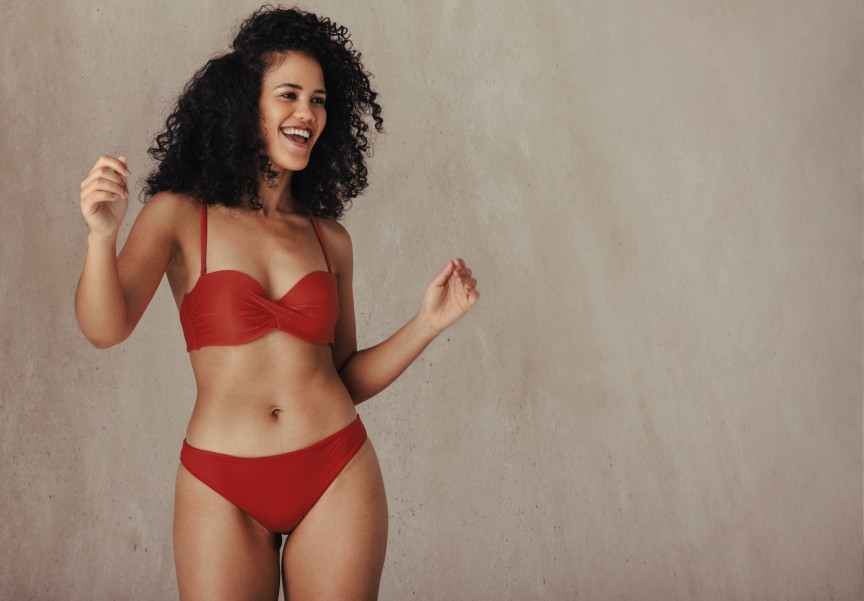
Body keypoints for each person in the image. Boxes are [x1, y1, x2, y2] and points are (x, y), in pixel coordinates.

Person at [75, 7, 478, 600]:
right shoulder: (181, 216)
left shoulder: (328, 237)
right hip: (221, 481)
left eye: (318, 100)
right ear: (245, 105)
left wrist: (427, 324)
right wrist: (100, 236)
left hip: (337, 469)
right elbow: (103, 329)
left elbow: (343, 376)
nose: (307, 114)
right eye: (289, 94)